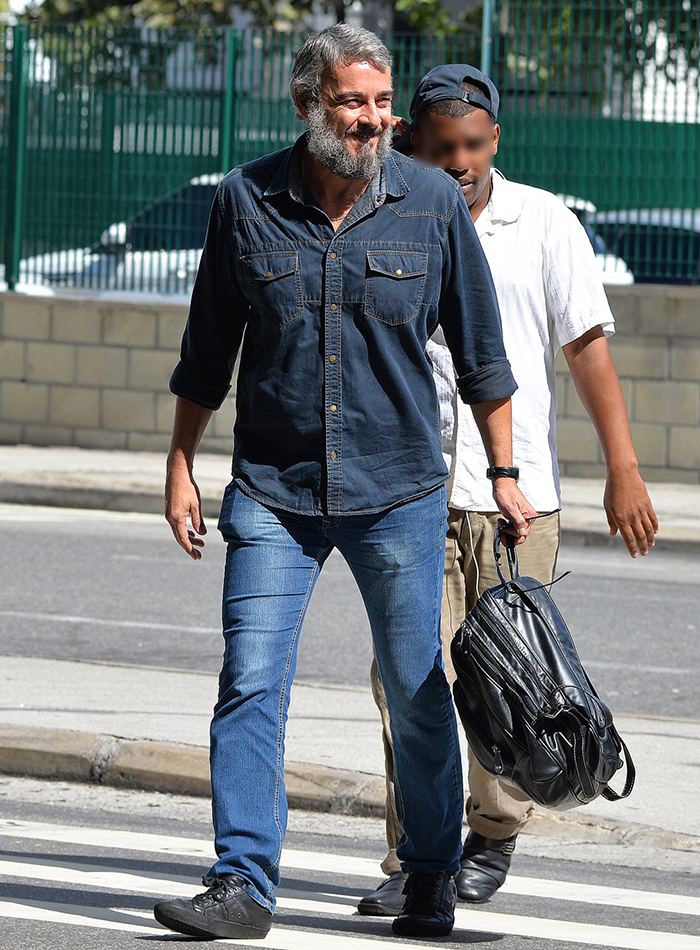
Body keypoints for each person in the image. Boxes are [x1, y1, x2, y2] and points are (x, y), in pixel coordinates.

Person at [154, 32, 534, 941]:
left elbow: (484, 356)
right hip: (274, 492)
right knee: (250, 681)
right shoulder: (246, 200)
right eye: (350, 102)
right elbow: (207, 352)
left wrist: (509, 473)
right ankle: (242, 881)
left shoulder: (433, 200)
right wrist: (178, 466)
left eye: (379, 101)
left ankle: (432, 872)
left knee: (415, 688)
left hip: (398, 489)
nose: (371, 119)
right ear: (308, 106)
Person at [358, 64, 659, 917]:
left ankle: (492, 834)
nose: (457, 160)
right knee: (406, 677)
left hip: (517, 494)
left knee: (510, 680)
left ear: (495, 139)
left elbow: (587, 348)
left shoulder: (547, 223)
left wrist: (623, 468)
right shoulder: (386, 214)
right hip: (408, 492)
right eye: (440, 145)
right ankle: (416, 855)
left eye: (473, 144)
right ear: (411, 141)